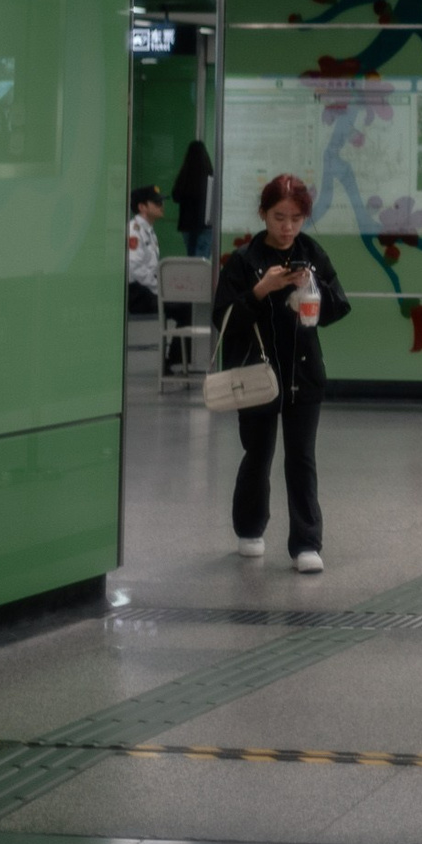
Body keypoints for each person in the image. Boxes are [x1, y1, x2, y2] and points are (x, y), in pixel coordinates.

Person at [213, 174, 350, 574]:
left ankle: (307, 542)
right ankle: (250, 527)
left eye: (295, 218)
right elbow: (223, 318)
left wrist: (313, 290)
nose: (287, 227)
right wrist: (260, 290)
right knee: (258, 454)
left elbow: (338, 307)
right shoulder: (244, 260)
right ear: (263, 215)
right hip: (256, 372)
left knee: (301, 457)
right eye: (278, 217)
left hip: (304, 374)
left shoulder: (312, 253)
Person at [170, 140, 216, 257]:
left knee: (190, 256)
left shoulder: (185, 176)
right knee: (202, 259)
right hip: (206, 224)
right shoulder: (210, 176)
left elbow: (175, 196)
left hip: (188, 224)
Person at [126, 185, 165, 317]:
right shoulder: (134, 231)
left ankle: (178, 338)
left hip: (147, 288)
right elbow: (134, 268)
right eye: (157, 202)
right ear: (142, 207)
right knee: (183, 307)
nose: (161, 205)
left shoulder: (148, 230)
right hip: (138, 292)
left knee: (186, 305)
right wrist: (158, 289)